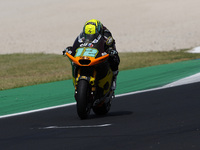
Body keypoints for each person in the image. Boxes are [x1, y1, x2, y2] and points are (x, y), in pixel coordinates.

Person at [64, 19, 120, 90]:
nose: (90, 34)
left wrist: (111, 50)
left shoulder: (106, 34)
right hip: (87, 55)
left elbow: (111, 45)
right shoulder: (82, 36)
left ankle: (114, 77)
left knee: (114, 57)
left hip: (101, 52)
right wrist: (71, 49)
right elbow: (78, 44)